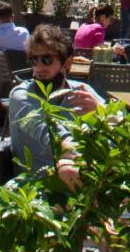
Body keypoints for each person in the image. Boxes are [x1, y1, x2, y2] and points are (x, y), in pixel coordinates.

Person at [8, 25, 103, 174]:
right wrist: (75, 158)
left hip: (85, 176)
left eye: (47, 60)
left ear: (67, 63)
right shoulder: (22, 95)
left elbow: (118, 124)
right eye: (34, 60)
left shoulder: (82, 91)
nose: (39, 67)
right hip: (37, 187)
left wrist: (100, 112)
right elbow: (50, 133)